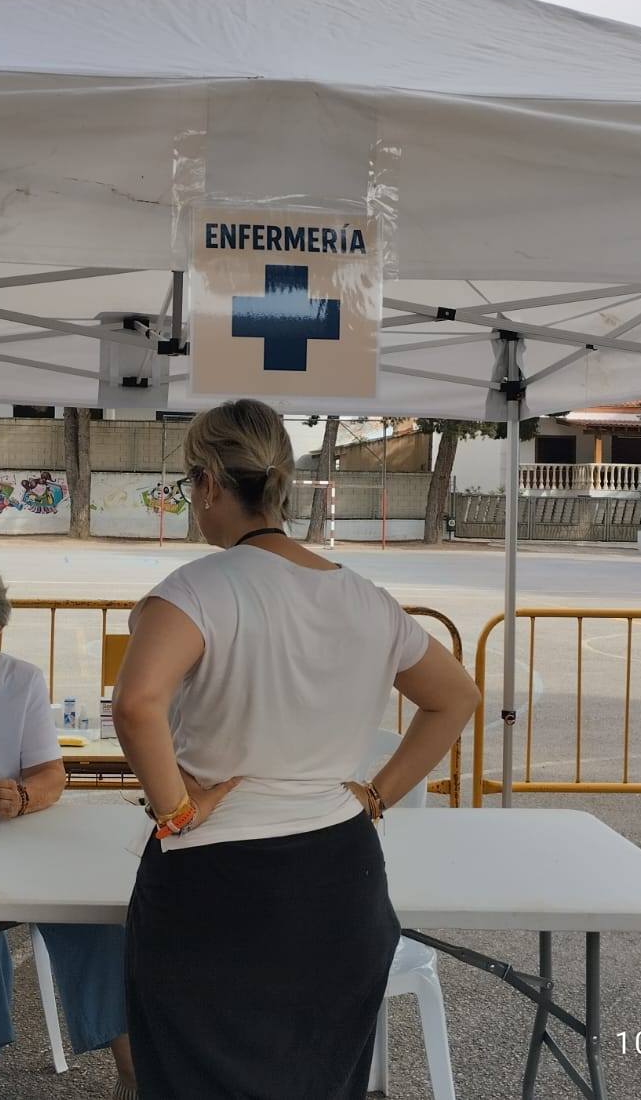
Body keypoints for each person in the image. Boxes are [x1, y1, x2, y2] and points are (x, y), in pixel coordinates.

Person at [113, 398, 481, 1099]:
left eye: (189, 484)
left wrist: (176, 811)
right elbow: (455, 696)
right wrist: (377, 793)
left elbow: (137, 705)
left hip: (218, 881)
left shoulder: (195, 591)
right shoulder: (366, 599)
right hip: (339, 876)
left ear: (212, 483)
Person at [0, 556, 137, 1100]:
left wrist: (21, 796)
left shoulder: (21, 681)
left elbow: (50, 775)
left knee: (96, 918)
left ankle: (135, 1072)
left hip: (20, 847)